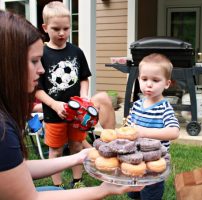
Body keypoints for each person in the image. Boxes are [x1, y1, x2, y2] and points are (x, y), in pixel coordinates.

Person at [0, 9, 143, 199]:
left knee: (58, 189)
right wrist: (104, 190)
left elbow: (18, 167)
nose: (42, 69)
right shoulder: (2, 130)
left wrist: (80, 156)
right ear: (7, 63)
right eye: (34, 61)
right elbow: (29, 197)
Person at [35, 1, 115, 188]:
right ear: (45, 28)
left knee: (77, 146)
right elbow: (37, 89)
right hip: (54, 115)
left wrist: (84, 96)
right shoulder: (41, 55)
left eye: (66, 28)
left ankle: (77, 181)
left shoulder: (76, 52)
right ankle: (56, 186)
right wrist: (54, 104)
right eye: (56, 29)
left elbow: (84, 78)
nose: (62, 33)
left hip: (78, 114)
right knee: (55, 150)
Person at [126, 53, 180, 200]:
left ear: (167, 84)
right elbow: (130, 128)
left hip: (154, 162)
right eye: (144, 79)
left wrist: (144, 132)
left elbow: (174, 132)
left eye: (155, 80)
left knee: (150, 194)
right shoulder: (137, 105)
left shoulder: (164, 108)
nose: (148, 84)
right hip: (136, 159)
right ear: (138, 80)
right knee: (134, 192)